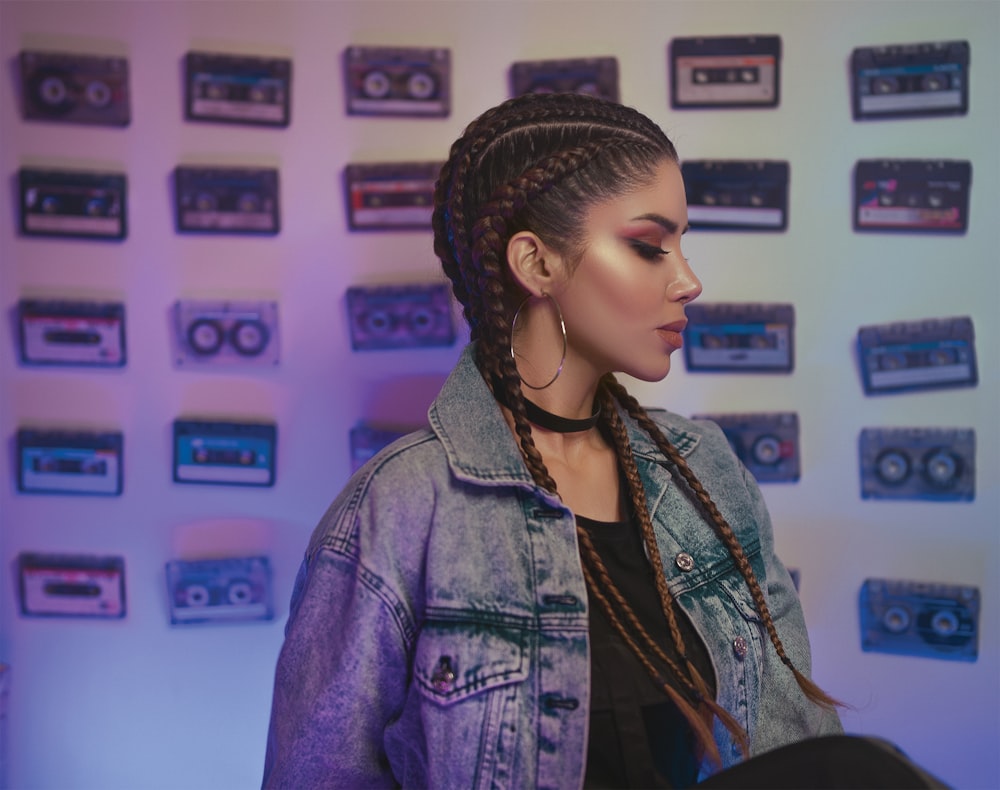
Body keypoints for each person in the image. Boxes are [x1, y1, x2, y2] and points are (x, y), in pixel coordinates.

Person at [262, 91, 844, 789]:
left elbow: (797, 750)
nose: (688, 280)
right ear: (536, 264)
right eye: (650, 246)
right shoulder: (398, 512)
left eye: (683, 245)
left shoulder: (705, 472)